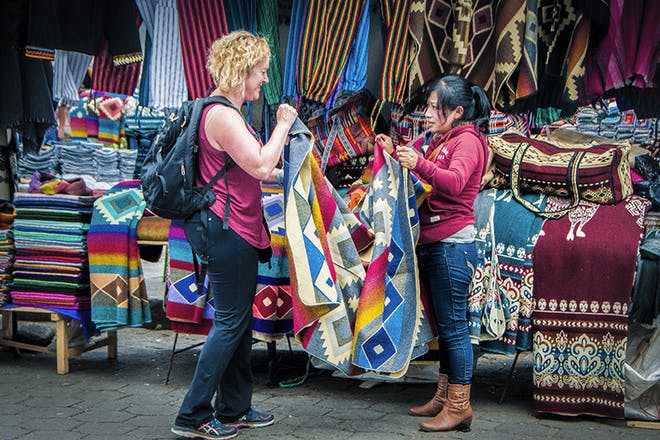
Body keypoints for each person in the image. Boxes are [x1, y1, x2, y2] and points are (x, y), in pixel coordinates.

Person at [171, 31, 298, 440]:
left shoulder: (228, 112)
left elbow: (251, 168)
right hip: (226, 231)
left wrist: (291, 173)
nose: (264, 80)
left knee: (239, 324)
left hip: (237, 228)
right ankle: (191, 415)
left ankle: (234, 408)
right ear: (241, 70)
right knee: (229, 324)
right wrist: (282, 125)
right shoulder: (222, 115)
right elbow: (260, 165)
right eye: (260, 72)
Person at [375, 75, 491, 433]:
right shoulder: (445, 139)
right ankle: (444, 397)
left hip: (452, 245)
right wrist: (395, 154)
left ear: (457, 112)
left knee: (455, 328)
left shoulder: (468, 142)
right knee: (446, 326)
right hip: (438, 242)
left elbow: (454, 182)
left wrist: (418, 164)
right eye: (427, 106)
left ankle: (460, 406)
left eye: (433, 107)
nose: (426, 113)